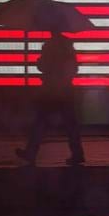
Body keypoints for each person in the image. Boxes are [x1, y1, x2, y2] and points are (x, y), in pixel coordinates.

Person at [16, 31, 84, 166]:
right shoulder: (68, 44)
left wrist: (42, 60)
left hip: (50, 90)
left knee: (40, 122)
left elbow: (42, 66)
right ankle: (78, 154)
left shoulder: (49, 45)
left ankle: (31, 152)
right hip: (65, 90)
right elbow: (74, 68)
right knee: (70, 124)